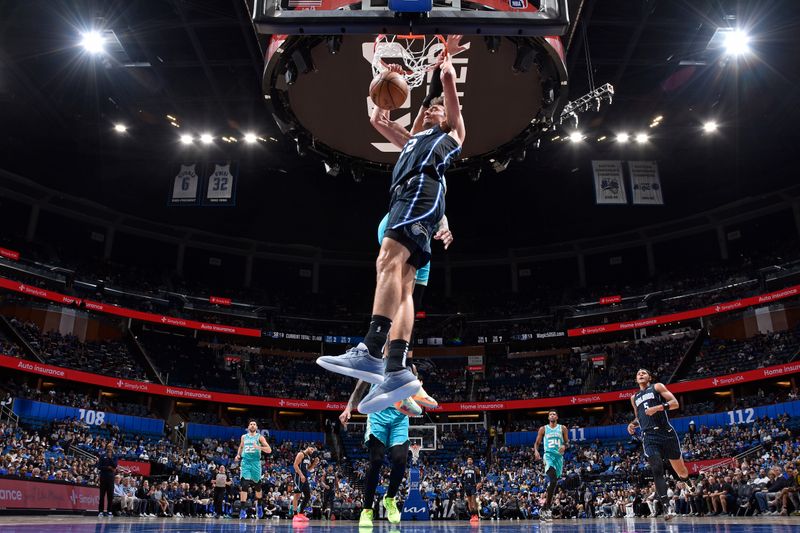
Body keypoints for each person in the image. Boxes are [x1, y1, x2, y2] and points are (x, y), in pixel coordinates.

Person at [316, 35, 467, 414]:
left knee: (386, 261)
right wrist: (385, 73)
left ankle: (370, 348)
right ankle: (397, 367)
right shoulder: (412, 140)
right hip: (411, 200)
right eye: (428, 110)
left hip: (418, 197)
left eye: (434, 110)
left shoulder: (448, 136)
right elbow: (376, 119)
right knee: (402, 288)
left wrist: (445, 66)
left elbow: (449, 97)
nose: (430, 111)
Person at [339, 366, 421, 527]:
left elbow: (415, 391)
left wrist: (417, 385)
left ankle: (390, 499)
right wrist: (349, 408)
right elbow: (359, 389)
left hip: (400, 416)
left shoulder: (408, 366)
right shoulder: (373, 363)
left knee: (400, 459)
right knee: (376, 460)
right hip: (377, 415)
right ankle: (367, 510)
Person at [627, 368, 689, 520]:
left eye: (643, 373)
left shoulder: (657, 387)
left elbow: (674, 404)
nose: (640, 374)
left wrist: (658, 407)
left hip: (666, 433)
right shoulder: (634, 397)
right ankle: (667, 507)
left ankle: (687, 481)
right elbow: (640, 416)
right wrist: (633, 424)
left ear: (649, 377)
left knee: (682, 472)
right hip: (649, 436)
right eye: (638, 373)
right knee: (656, 469)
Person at [534, 410, 568, 522]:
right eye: (550, 414)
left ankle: (545, 508)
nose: (552, 415)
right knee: (553, 480)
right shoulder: (543, 429)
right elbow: (537, 443)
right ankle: (547, 508)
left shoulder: (562, 428)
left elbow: (567, 442)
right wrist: (536, 451)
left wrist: (564, 446)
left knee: (554, 482)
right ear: (548, 418)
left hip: (559, 458)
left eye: (554, 414)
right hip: (548, 456)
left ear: (557, 417)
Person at [234, 420, 272, 519]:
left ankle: (259, 505)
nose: (252, 425)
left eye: (254, 424)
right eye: (251, 424)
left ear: (256, 427)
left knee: (257, 486)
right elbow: (241, 447)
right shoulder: (244, 437)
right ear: (248, 426)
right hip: (245, 462)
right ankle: (243, 510)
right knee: (244, 485)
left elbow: (269, 450)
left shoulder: (260, 437)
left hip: (256, 462)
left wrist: (259, 447)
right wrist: (238, 455)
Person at [292, 445, 319, 523]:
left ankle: (300, 513)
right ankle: (294, 515)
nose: (312, 451)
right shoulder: (301, 454)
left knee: (308, 495)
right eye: (311, 449)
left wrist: (315, 463)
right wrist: (301, 475)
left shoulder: (308, 457)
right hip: (298, 476)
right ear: (308, 447)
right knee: (297, 495)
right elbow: (295, 465)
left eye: (313, 450)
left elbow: (309, 469)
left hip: (304, 477)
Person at [97, 444, 117, 517]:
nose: (109, 448)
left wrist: (110, 458)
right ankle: (101, 511)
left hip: (111, 479)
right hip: (103, 477)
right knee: (102, 495)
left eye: (111, 447)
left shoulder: (115, 456)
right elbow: (99, 467)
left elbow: (115, 465)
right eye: (108, 447)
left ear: (112, 448)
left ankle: (109, 511)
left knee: (110, 496)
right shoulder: (102, 456)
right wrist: (108, 467)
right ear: (106, 447)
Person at [460, 456, 482, 522]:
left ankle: (476, 515)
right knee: (469, 502)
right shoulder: (464, 469)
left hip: (473, 486)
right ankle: (472, 515)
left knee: (473, 501)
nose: (469, 461)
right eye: (468, 460)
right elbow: (462, 477)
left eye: (470, 459)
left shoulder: (475, 468)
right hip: (467, 486)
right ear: (467, 461)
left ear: (472, 461)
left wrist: (479, 483)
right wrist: (461, 483)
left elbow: (479, 477)